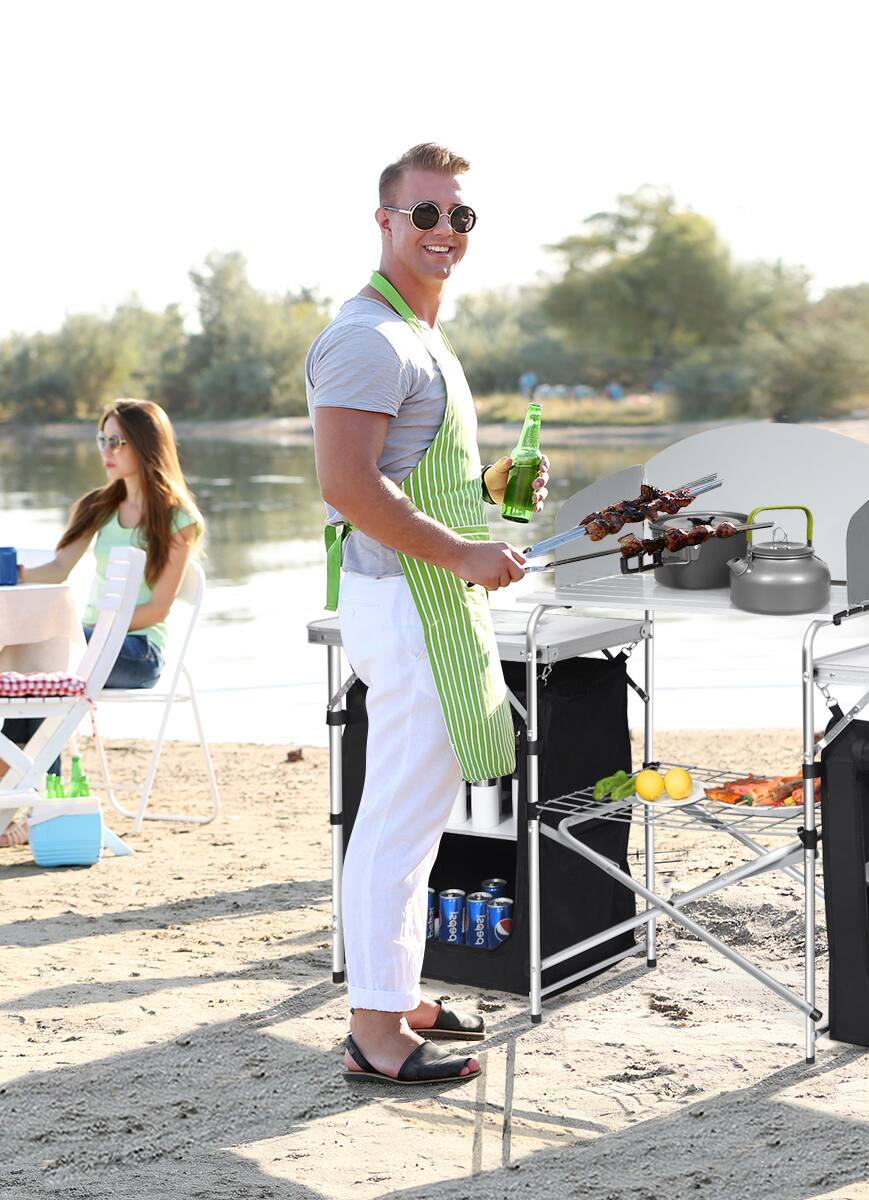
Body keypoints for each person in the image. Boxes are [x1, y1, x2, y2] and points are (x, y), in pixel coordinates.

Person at [307, 144, 549, 1087]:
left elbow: (408, 470)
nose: (445, 231)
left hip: (426, 597)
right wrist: (462, 553)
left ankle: (396, 991)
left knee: (412, 815)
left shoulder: (420, 335)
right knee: (397, 825)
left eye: (461, 217)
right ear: (385, 221)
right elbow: (347, 486)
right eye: (427, 214)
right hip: (408, 600)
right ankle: (375, 1027)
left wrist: (485, 493)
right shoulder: (367, 337)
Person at [0, 399, 203, 843]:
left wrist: (88, 638)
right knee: (33, 668)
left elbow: (158, 610)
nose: (106, 450)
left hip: (138, 650)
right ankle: (19, 799)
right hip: (89, 644)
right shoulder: (101, 505)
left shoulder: (176, 518)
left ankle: (27, 801)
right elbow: (56, 570)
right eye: (102, 439)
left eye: (117, 441)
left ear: (145, 446)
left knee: (43, 662)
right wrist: (13, 573)